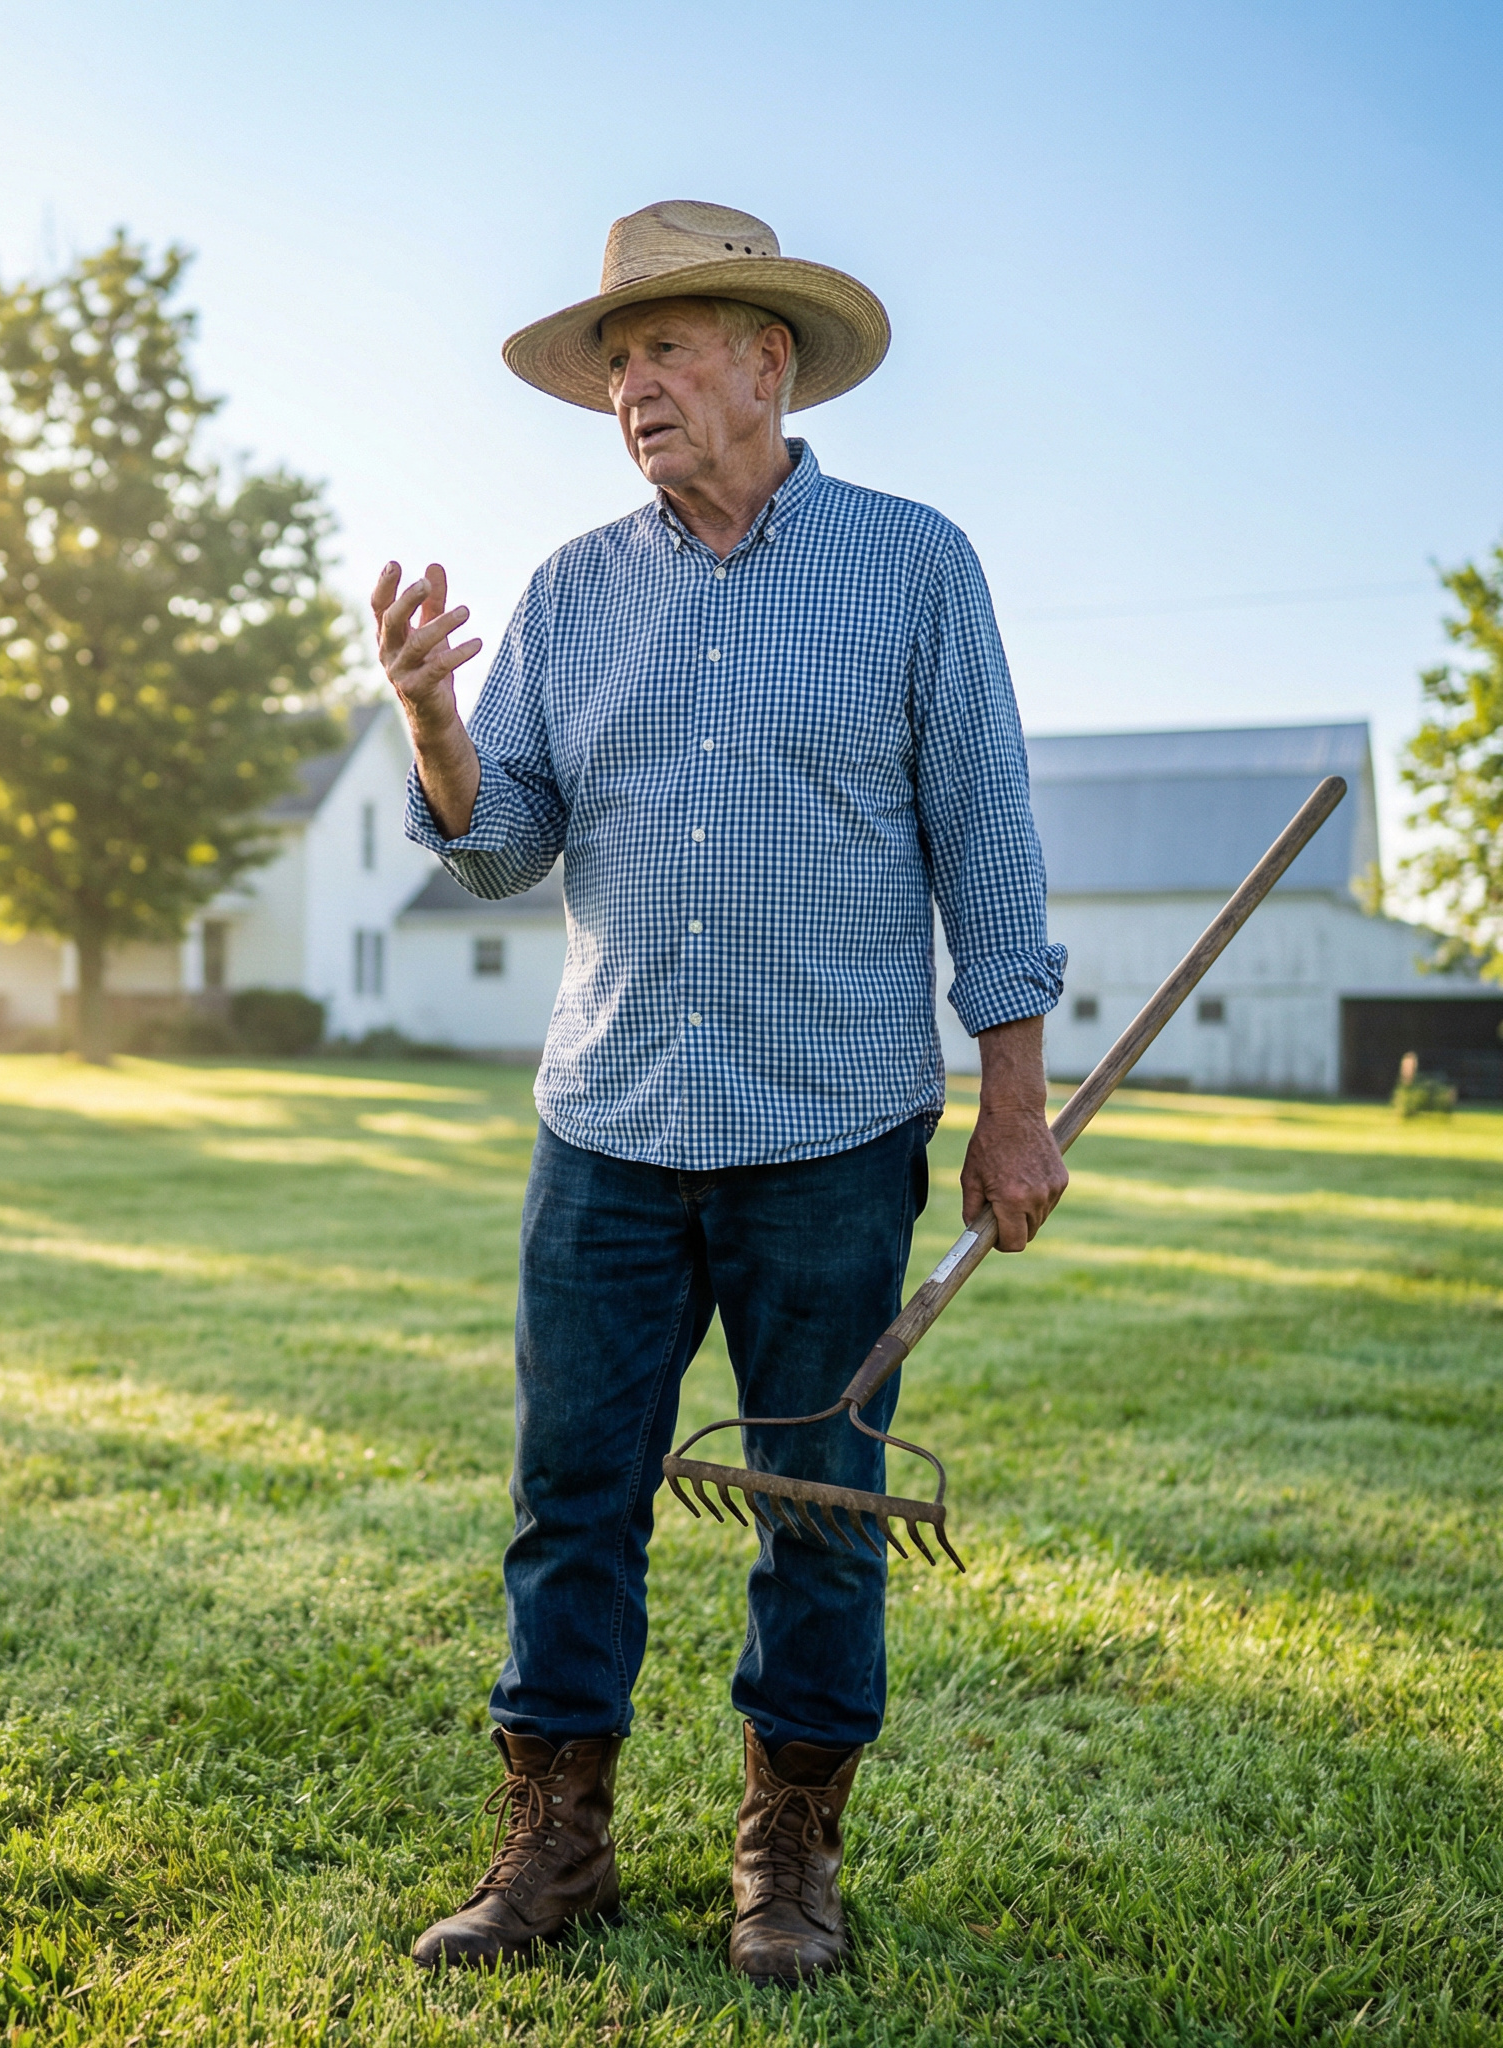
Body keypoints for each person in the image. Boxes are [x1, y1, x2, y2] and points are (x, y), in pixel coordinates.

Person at [376, 200, 1068, 1984]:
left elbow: (989, 847)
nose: (636, 391)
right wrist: (438, 734)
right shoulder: (571, 593)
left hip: (832, 1138)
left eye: (669, 351)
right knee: (570, 1496)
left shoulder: (912, 565)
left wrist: (1011, 1103)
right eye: (618, 363)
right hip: (604, 1129)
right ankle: (556, 1847)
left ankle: (790, 1858)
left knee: (820, 1516)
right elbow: (502, 844)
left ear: (770, 363)